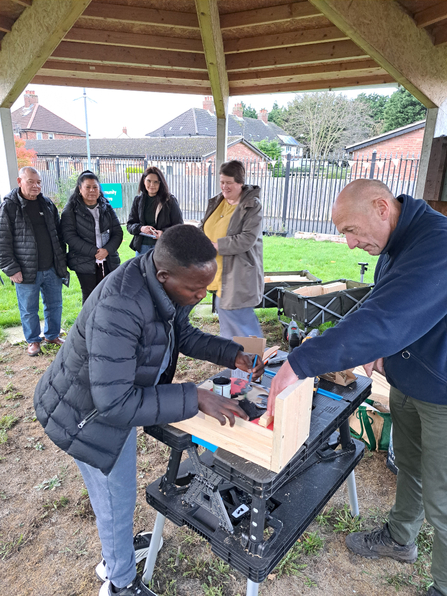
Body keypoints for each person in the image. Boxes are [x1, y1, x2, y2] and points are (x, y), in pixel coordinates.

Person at [33, 224, 264, 596]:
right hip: (87, 418)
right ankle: (119, 582)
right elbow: (114, 403)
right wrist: (195, 397)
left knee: (116, 499)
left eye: (207, 287)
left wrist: (230, 353)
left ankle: (117, 553)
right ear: (164, 275)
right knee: (115, 499)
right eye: (195, 289)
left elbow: (181, 334)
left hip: (108, 405)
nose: (201, 296)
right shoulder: (120, 306)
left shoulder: (166, 286)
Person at [267, 179, 447, 596]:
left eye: (351, 229)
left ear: (382, 208)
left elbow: (387, 320)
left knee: (443, 497)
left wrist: (301, 362)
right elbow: (380, 306)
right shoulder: (398, 242)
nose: (348, 244)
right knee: (412, 471)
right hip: (410, 381)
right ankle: (402, 539)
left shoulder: (436, 244)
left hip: (442, 392)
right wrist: (382, 348)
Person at [0, 166, 68, 356]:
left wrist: (60, 262)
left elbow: (58, 235)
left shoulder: (47, 204)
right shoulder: (9, 206)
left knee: (55, 304)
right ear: (19, 181)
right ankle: (33, 340)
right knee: (29, 309)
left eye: (38, 182)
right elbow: (2, 240)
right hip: (25, 269)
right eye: (30, 181)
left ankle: (52, 335)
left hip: (52, 267)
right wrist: (11, 269)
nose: (36, 186)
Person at [200, 160, 263, 339]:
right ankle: (239, 364)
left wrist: (216, 246)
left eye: (229, 182)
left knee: (244, 328)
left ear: (240, 183)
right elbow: (204, 226)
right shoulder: (218, 201)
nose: (224, 187)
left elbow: (247, 239)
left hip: (239, 274)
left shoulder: (252, 205)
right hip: (220, 274)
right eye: (222, 182)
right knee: (228, 325)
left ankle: (253, 362)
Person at [61, 170, 123, 304]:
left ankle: (108, 324)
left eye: (95, 187)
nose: (92, 190)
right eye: (87, 187)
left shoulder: (106, 206)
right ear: (79, 189)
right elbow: (69, 236)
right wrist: (94, 252)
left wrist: (107, 250)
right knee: (90, 297)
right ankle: (88, 325)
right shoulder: (71, 209)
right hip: (84, 261)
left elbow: (118, 232)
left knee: (110, 295)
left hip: (109, 259)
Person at [127, 166, 183, 256]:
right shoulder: (138, 200)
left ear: (161, 184)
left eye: (156, 182)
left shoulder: (170, 200)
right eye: (149, 181)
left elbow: (179, 226)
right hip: (141, 248)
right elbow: (130, 225)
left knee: (161, 271)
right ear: (143, 181)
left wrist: (163, 233)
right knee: (142, 270)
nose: (152, 185)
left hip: (162, 246)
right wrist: (141, 228)